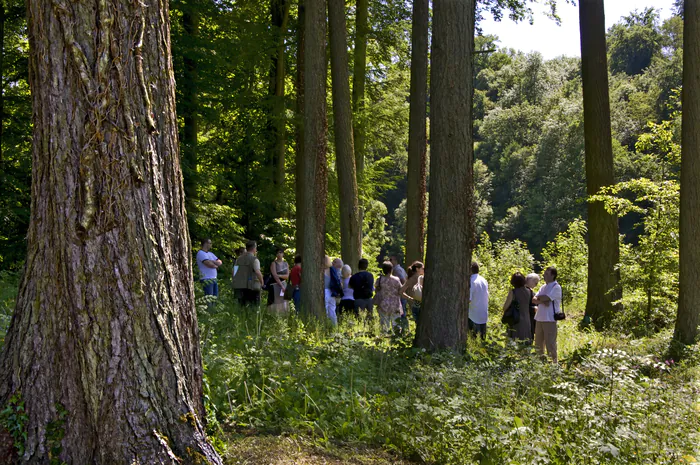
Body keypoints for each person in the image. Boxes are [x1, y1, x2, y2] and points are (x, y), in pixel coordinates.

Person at [533, 266, 563, 363]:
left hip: (549, 319)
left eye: (547, 274)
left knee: (550, 344)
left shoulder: (556, 287)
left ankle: (553, 365)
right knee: (538, 344)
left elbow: (547, 298)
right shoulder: (543, 287)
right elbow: (534, 299)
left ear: (553, 276)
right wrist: (542, 300)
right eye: (544, 273)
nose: (544, 275)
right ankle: (540, 364)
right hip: (539, 318)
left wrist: (541, 299)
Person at [502, 272, 534, 343]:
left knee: (514, 342)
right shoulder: (529, 291)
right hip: (526, 320)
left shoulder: (513, 292)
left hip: (515, 320)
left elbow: (505, 307)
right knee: (525, 342)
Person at [231, 241, 265, 306]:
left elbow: (233, 272)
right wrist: (262, 282)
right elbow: (258, 272)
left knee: (242, 307)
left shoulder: (238, 259)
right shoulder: (254, 260)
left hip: (240, 286)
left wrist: (235, 281)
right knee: (254, 308)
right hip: (252, 287)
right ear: (254, 248)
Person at [374, 261, 403, 331]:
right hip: (395, 305)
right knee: (396, 325)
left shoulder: (379, 280)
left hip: (383, 304)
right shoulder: (396, 279)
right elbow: (401, 290)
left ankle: (384, 339)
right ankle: (396, 339)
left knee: (384, 326)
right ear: (391, 269)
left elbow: (376, 290)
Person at [468, 262, 489, 338]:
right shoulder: (483, 280)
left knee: (473, 339)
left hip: (473, 315)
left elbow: (468, 300)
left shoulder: (471, 281)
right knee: (482, 341)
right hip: (483, 314)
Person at [268, 247, 290, 314]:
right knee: (275, 302)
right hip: (275, 285)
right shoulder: (273, 263)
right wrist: (281, 285)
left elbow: (287, 276)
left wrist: (280, 275)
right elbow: (275, 276)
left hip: (284, 284)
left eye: (280, 252)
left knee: (283, 302)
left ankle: (283, 316)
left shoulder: (286, 264)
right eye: (277, 253)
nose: (279, 254)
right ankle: (273, 315)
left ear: (283, 254)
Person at [324, 256, 343, 325]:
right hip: (332, 292)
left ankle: (325, 325)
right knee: (332, 310)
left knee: (325, 309)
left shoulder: (322, 270)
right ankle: (334, 326)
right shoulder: (333, 270)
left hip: (325, 291)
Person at [526, 273, 540, 341]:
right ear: (530, 280)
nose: (536, 284)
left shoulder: (531, 292)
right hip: (526, 319)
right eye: (535, 282)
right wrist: (533, 309)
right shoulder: (524, 291)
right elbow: (523, 306)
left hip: (531, 319)